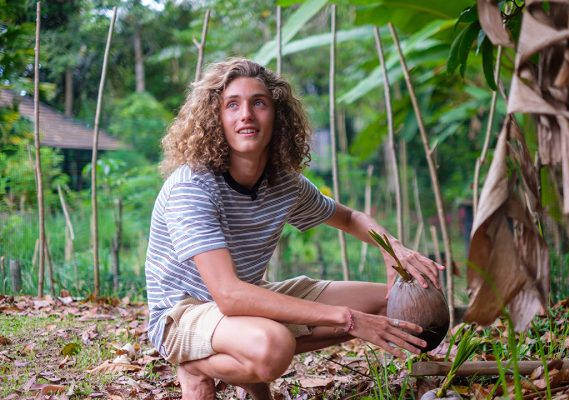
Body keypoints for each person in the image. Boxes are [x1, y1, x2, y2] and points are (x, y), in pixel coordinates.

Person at [145, 57, 444, 400]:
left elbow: (349, 218)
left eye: (259, 103)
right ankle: (196, 364)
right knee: (275, 346)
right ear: (216, 117)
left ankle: (244, 362)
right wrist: (346, 319)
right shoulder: (193, 186)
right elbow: (227, 295)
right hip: (184, 314)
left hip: (246, 305)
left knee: (388, 305)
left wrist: (394, 250)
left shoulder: (284, 184)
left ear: (278, 115)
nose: (246, 115)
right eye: (232, 105)